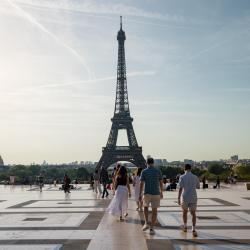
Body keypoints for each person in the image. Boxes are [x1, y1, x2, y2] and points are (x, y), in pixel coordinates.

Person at [139, 158, 163, 235]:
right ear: (153, 163)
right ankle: (152, 228)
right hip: (156, 193)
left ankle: (146, 223)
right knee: (154, 211)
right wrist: (161, 192)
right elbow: (161, 183)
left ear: (146, 163)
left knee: (145, 207)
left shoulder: (144, 171)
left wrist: (140, 194)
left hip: (147, 193)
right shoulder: (158, 171)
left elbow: (141, 183)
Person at [178, 164, 200, 237]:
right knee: (193, 213)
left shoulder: (182, 177)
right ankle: (193, 229)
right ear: (191, 169)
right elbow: (198, 186)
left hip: (185, 196)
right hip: (193, 196)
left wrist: (178, 198)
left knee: (184, 212)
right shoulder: (195, 177)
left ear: (184, 169)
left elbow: (180, 188)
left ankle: (185, 226)